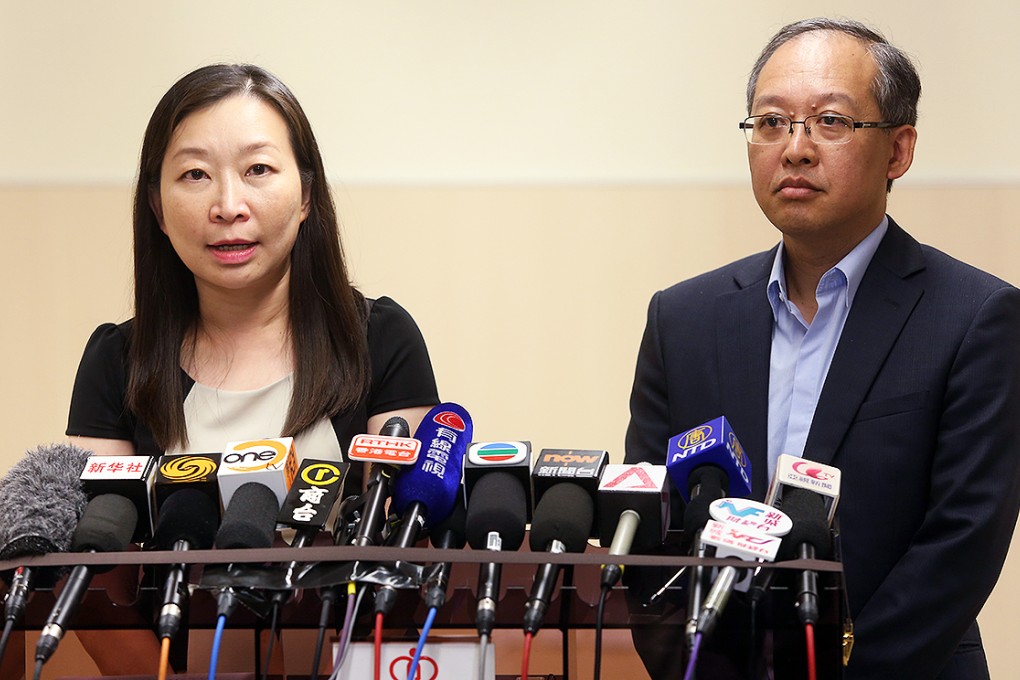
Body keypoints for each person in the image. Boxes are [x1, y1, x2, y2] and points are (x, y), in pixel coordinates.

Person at [624, 17, 1020, 680]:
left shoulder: (974, 316)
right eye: (771, 122)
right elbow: (650, 527)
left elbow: (962, 543)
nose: (796, 148)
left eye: (830, 121)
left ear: (898, 151)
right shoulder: (683, 319)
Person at [65, 64, 439, 674]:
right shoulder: (118, 361)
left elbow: (401, 550)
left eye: (258, 170)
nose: (228, 206)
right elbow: (93, 587)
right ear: (157, 208)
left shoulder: (379, 340)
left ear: (306, 195)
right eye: (194, 175)